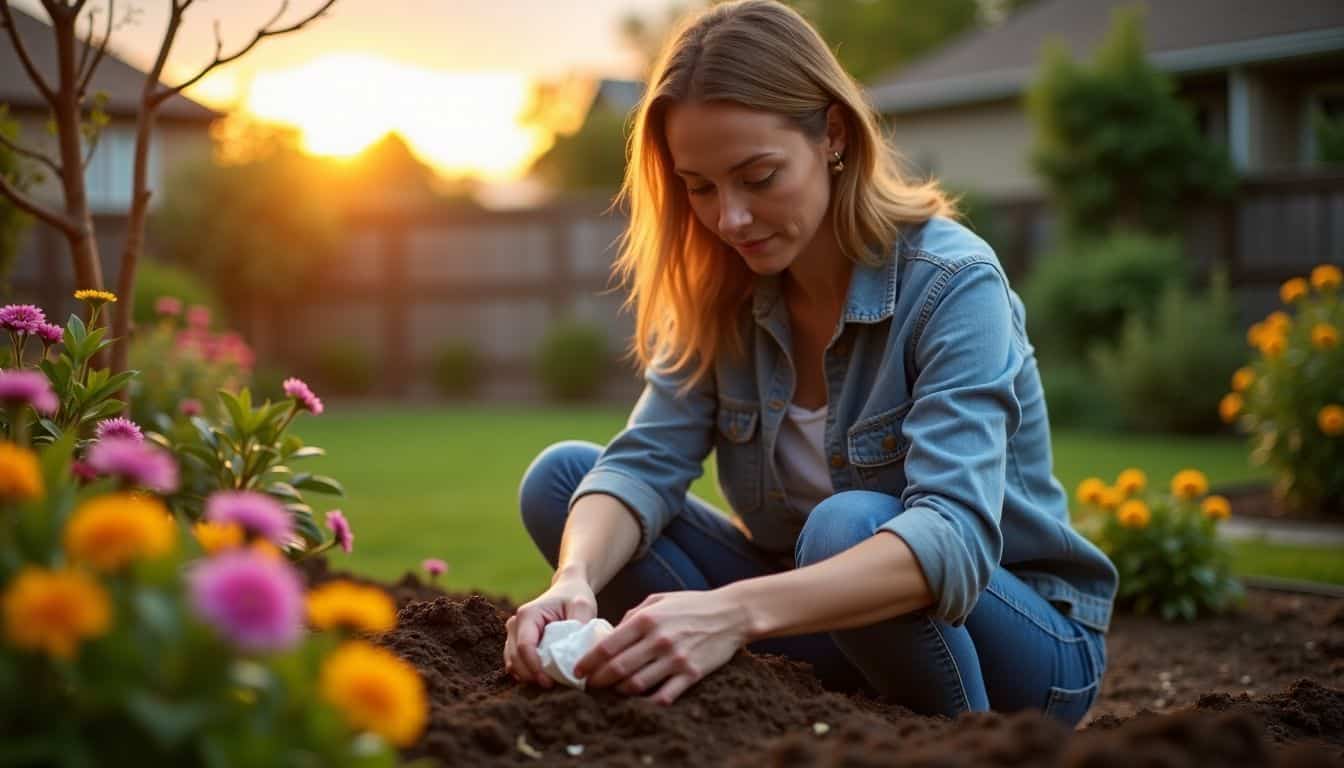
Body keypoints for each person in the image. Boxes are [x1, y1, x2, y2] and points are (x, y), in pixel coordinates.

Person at [506, 0, 1118, 726]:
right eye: (699, 187)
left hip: (1022, 645)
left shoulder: (952, 283)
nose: (729, 219)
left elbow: (953, 538)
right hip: (818, 620)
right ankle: (742, 712)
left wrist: (729, 613)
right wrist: (572, 580)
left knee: (846, 524)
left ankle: (954, 744)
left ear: (832, 134)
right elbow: (642, 463)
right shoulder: (721, 288)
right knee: (565, 481)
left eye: (758, 176)